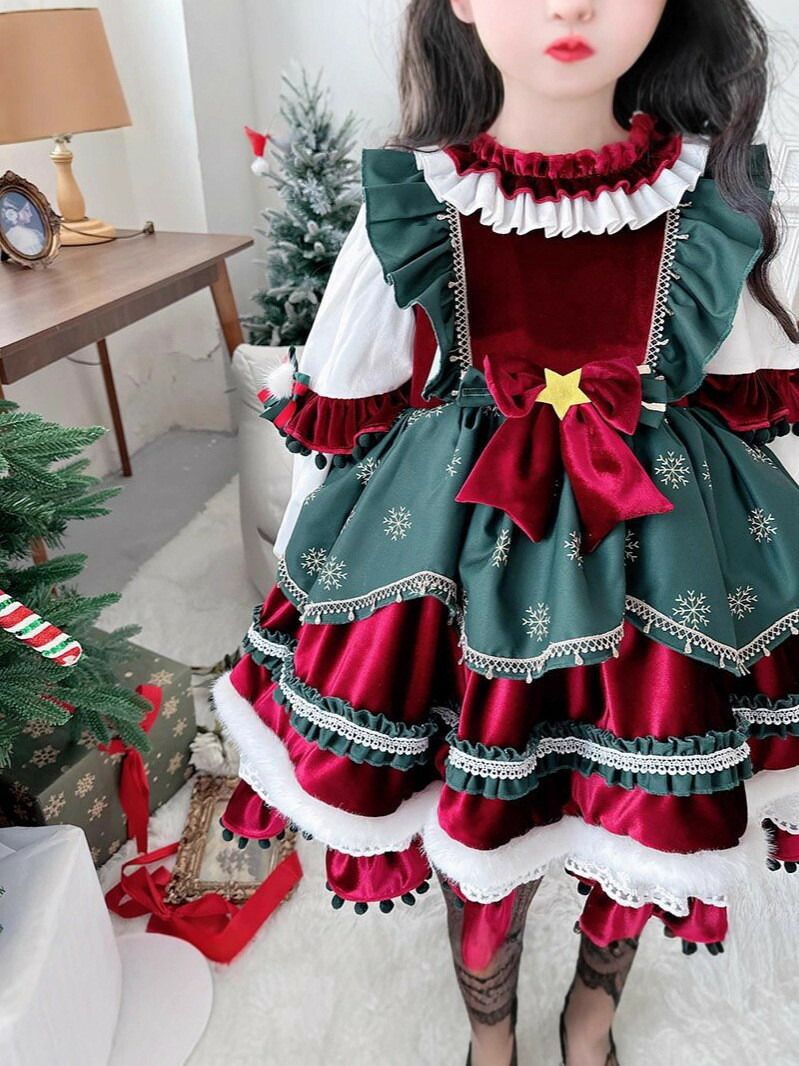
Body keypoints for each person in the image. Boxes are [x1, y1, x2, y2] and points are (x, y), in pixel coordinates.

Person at [212, 1, 799, 1063]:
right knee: (480, 828)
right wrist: (311, 579)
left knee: (646, 806)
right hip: (459, 560)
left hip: (655, 559)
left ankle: (592, 1015)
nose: (568, 6)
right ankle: (492, 1037)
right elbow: (341, 406)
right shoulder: (417, 199)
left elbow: (746, 389)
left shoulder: (705, 198)